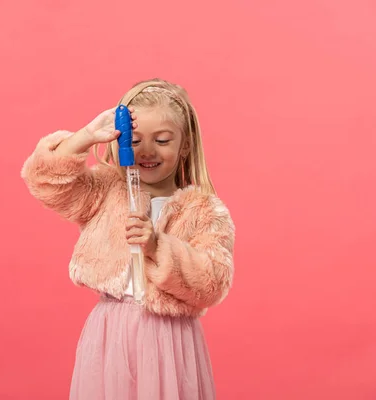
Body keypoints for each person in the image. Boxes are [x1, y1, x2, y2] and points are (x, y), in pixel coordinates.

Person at [20, 78, 235, 400]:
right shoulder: (104, 190)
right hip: (111, 332)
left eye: (162, 140)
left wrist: (157, 247)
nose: (146, 151)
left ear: (185, 144)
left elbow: (212, 283)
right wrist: (84, 138)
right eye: (134, 140)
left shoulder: (204, 210)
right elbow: (46, 181)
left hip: (170, 338)